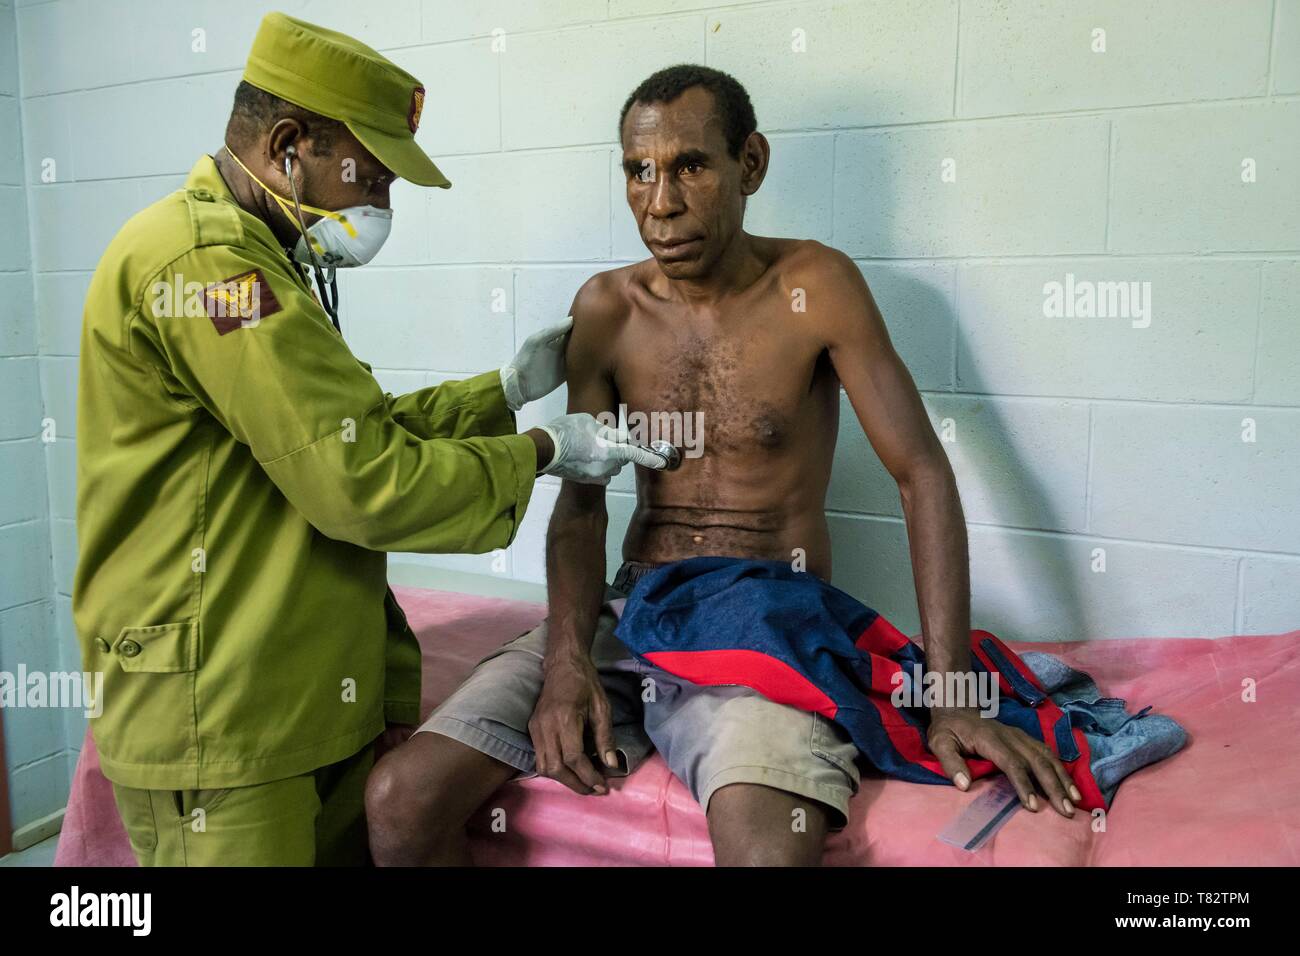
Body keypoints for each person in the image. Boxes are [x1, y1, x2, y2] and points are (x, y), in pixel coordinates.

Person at [366, 64, 1082, 867]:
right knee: (399, 802)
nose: (660, 203)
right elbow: (583, 506)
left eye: (690, 167)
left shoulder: (817, 285)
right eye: (639, 171)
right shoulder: (606, 308)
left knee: (769, 855)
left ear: (750, 165)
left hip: (766, 623)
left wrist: (951, 693)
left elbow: (921, 474)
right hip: (632, 612)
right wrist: (566, 666)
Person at [73, 12, 659, 867]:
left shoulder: (257, 259)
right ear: (287, 146)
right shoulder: (210, 271)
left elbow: (340, 433)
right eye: (372, 181)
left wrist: (497, 394)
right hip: (223, 718)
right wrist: (543, 450)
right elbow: (357, 480)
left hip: (296, 698)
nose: (381, 207)